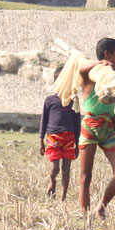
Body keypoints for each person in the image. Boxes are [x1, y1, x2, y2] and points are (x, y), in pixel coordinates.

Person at [80, 38, 115, 217]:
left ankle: (101, 205)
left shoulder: (114, 82)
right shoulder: (90, 76)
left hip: (109, 128)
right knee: (86, 176)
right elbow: (80, 69)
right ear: (107, 55)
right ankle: (85, 215)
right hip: (90, 128)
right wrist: (99, 63)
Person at [40, 66, 82, 200]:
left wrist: (77, 142)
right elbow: (44, 119)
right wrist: (41, 139)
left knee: (66, 170)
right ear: (56, 82)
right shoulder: (50, 100)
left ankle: (63, 198)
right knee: (55, 169)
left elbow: (77, 123)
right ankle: (52, 181)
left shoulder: (74, 101)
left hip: (69, 138)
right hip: (53, 138)